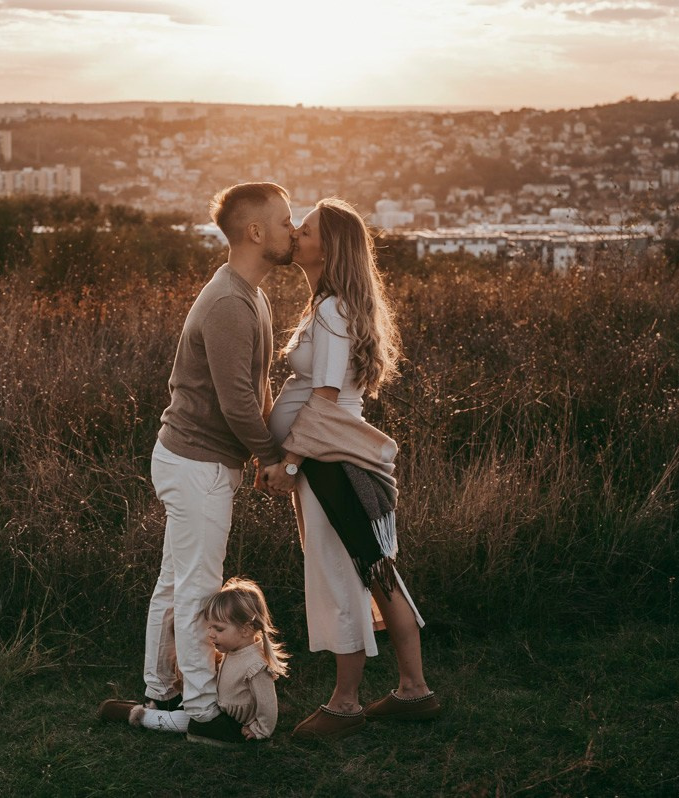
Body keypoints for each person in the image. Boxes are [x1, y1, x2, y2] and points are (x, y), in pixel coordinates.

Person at [98, 182, 297, 747]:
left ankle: (160, 689)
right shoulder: (233, 302)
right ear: (255, 232)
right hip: (197, 463)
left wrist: (259, 453)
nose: (293, 229)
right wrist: (271, 457)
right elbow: (237, 401)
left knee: (174, 583)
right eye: (285, 221)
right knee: (197, 589)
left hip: (192, 458)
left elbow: (249, 390)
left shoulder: (248, 293)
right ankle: (205, 715)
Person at [263, 197, 441, 742]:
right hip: (331, 457)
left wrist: (289, 462)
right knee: (376, 571)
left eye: (307, 229)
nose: (295, 233)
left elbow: (324, 396)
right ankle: (414, 691)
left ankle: (345, 703)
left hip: (329, 461)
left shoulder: (333, 309)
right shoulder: (327, 305)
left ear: (328, 247)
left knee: (342, 576)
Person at [129, 577, 289, 746]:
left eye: (218, 629)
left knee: (183, 722)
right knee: (187, 717)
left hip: (237, 724)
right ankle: (138, 712)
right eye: (210, 627)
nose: (211, 634)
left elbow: (268, 704)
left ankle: (140, 716)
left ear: (246, 629)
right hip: (221, 712)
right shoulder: (233, 650)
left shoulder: (256, 666)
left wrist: (260, 730)